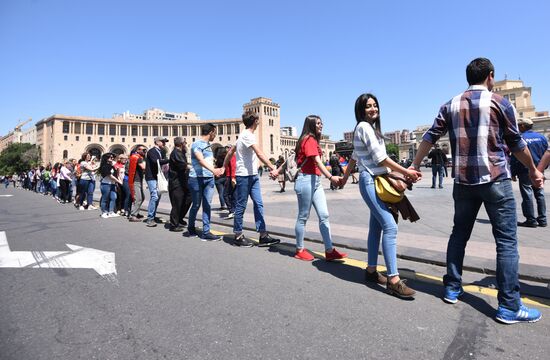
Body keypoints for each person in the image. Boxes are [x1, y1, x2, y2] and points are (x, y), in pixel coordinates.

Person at [410, 57, 543, 324]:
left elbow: (429, 137)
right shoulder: (500, 102)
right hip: (495, 180)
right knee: (506, 242)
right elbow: (516, 143)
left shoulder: (450, 104)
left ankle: (451, 286)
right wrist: (533, 169)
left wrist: (414, 164)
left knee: (459, 234)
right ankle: (509, 305)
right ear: (490, 77)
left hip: (463, 182)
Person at [341, 93, 421, 299]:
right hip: (370, 181)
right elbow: (380, 158)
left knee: (376, 227)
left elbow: (353, 157)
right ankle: (393, 280)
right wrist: (406, 172)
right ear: (361, 110)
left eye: (375, 105)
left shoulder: (369, 129)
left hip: (374, 181)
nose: (373, 109)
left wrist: (343, 179)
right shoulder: (364, 127)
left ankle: (370, 271)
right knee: (390, 227)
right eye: (368, 106)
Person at [287, 115, 348, 261]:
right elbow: (317, 161)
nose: (321, 125)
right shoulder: (309, 139)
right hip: (305, 180)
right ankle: (299, 249)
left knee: (324, 215)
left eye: (322, 123)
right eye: (318, 123)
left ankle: (329, 250)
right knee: (303, 216)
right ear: (311, 125)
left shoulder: (313, 140)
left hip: (315, 181)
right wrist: (331, 177)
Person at [224, 111, 280, 248]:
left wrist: (223, 166)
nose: (259, 120)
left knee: (258, 204)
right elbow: (259, 153)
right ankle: (238, 235)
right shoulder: (247, 135)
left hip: (253, 175)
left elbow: (231, 151)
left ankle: (263, 235)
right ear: (255, 121)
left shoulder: (243, 135)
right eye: (258, 118)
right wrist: (272, 167)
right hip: (243, 176)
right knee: (241, 205)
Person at [186, 123, 225, 241]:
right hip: (196, 178)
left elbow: (207, 160)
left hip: (208, 178)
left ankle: (206, 231)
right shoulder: (196, 144)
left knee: (207, 204)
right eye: (215, 133)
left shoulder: (208, 145)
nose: (215, 136)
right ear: (211, 132)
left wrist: (216, 169)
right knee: (196, 205)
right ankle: (191, 227)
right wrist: (214, 170)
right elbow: (200, 159)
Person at [511, 118, 547, 228]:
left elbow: (515, 156)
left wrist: (513, 172)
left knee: (527, 194)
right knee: (540, 194)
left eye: (518, 125)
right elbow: (547, 154)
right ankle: (542, 219)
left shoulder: (520, 138)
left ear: (522, 126)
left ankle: (531, 220)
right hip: (539, 170)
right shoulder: (542, 137)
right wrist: (542, 169)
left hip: (525, 170)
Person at [168, 137, 193, 232]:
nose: (186, 144)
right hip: (176, 182)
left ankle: (179, 218)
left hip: (183, 181)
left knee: (188, 198)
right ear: (181, 144)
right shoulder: (176, 153)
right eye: (185, 143)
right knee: (177, 203)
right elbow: (184, 165)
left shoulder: (180, 152)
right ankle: (174, 225)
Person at [144, 137, 170, 227]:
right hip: (151, 177)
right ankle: (150, 218)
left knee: (157, 197)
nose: (164, 144)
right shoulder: (152, 151)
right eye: (163, 142)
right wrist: (169, 160)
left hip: (157, 177)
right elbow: (156, 162)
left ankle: (153, 216)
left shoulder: (160, 152)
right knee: (154, 196)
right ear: (157, 142)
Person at [98, 153, 123, 218]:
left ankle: (111, 211)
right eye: (110, 157)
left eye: (112, 157)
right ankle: (104, 212)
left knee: (114, 197)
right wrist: (119, 181)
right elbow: (110, 175)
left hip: (112, 184)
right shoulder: (104, 166)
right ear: (106, 158)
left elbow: (116, 174)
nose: (112, 158)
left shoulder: (112, 166)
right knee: (105, 198)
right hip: (106, 184)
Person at [128, 146, 147, 222]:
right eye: (143, 150)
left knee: (142, 197)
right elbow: (143, 167)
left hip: (138, 180)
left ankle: (136, 212)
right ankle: (133, 215)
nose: (145, 151)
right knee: (138, 198)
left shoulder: (137, 157)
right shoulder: (137, 157)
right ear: (138, 150)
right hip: (135, 180)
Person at [223, 146, 237, 219]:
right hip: (231, 176)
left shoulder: (231, 155)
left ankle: (232, 210)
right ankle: (234, 210)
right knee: (233, 194)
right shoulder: (233, 155)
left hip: (230, 177)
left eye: (227, 148)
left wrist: (233, 178)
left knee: (225, 194)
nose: (226, 149)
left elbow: (233, 166)